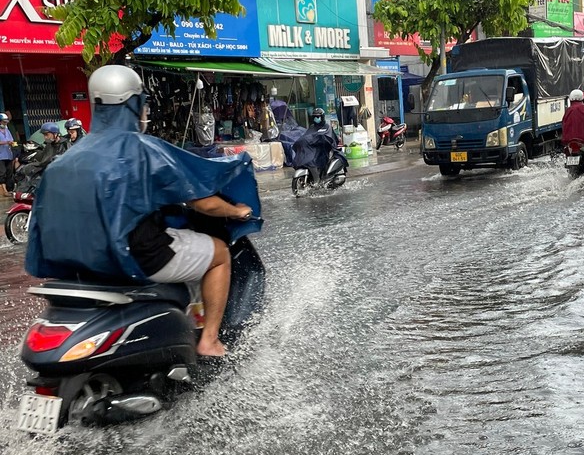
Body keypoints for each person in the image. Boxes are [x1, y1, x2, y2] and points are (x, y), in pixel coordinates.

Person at [26, 65, 258, 358]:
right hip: (134, 256)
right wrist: (236, 211)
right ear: (134, 103)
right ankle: (209, 341)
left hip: (81, 264)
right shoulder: (144, 149)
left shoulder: (66, 158)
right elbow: (204, 202)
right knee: (220, 254)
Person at [291, 107, 338, 184]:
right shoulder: (312, 127)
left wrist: (316, 139)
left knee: (312, 159)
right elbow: (306, 136)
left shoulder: (326, 127)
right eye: (314, 117)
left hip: (323, 149)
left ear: (322, 117)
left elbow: (326, 137)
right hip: (313, 148)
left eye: (318, 117)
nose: (316, 118)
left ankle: (318, 179)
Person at [0, 113, 15, 196]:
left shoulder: (7, 130)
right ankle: (4, 190)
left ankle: (10, 190)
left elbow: (11, 139)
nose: (5, 124)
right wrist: (6, 142)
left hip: (8, 154)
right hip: (1, 155)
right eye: (3, 122)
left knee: (9, 172)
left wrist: (11, 143)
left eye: (6, 122)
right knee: (2, 173)